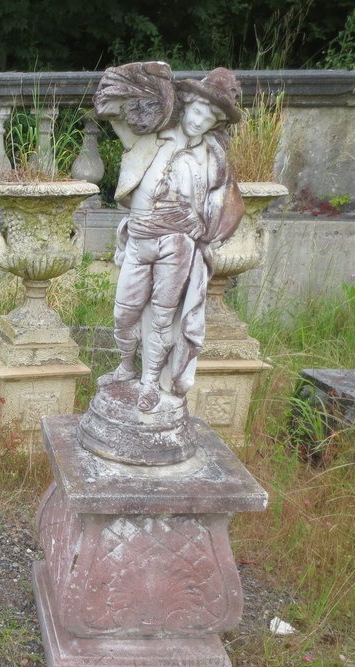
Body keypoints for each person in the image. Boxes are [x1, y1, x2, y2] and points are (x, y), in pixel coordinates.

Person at [94, 63, 245, 411]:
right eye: (198, 110)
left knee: (163, 318)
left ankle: (150, 382)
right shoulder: (151, 135)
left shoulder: (212, 158)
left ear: (217, 123)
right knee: (124, 312)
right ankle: (125, 366)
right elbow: (108, 106)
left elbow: (227, 204)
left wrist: (204, 228)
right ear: (187, 102)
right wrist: (157, 75)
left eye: (210, 117)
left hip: (176, 245)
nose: (200, 121)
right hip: (140, 238)